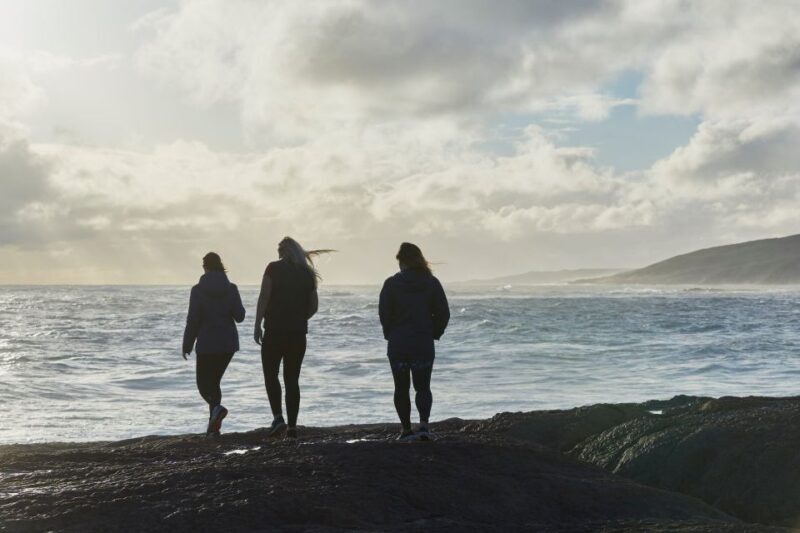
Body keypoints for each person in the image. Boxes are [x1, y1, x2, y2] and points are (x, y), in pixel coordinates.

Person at [254, 237, 331, 439]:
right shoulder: (307, 273)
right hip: (297, 333)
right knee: (292, 379)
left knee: (271, 375)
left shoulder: (272, 268)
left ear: (282, 252)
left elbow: (264, 296)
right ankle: (292, 427)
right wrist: (298, 318)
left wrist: (256, 324)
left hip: (274, 331)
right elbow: (314, 306)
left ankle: (278, 418)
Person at [379, 242, 450, 441]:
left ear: (402, 261)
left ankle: (405, 429)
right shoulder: (431, 283)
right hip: (423, 342)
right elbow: (443, 313)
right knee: (423, 386)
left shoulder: (391, 284)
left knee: (401, 387)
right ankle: (424, 425)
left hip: (398, 343)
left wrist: (390, 334)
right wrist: (433, 333)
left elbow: (384, 314)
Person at [182, 252, 246, 436]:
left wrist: (187, 344)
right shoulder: (232, 288)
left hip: (207, 344)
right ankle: (213, 426)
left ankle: (216, 410)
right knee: (214, 383)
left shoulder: (198, 290)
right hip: (227, 344)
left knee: (204, 385)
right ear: (221, 266)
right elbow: (240, 317)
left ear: (205, 268)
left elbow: (193, 320)